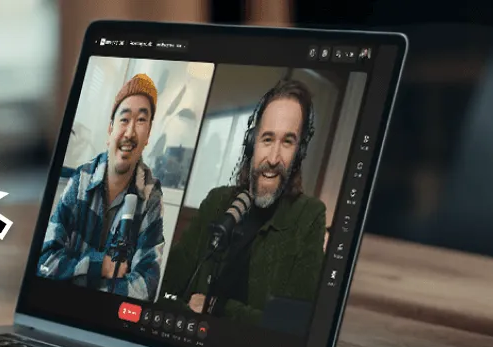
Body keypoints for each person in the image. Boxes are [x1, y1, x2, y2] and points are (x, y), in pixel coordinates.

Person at [160, 79, 326, 326]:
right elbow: (164, 287)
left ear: (299, 152)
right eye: (267, 139)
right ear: (252, 143)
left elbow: (293, 324)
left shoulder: (309, 216)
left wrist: (218, 307)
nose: (273, 158)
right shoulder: (217, 202)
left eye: (287, 142)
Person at [36, 74, 165, 301]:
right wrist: (100, 267)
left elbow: (145, 288)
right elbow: (45, 262)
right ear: (110, 129)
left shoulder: (150, 196)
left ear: (148, 137)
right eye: (124, 119)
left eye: (141, 120)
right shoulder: (81, 180)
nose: (130, 133)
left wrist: (74, 281)